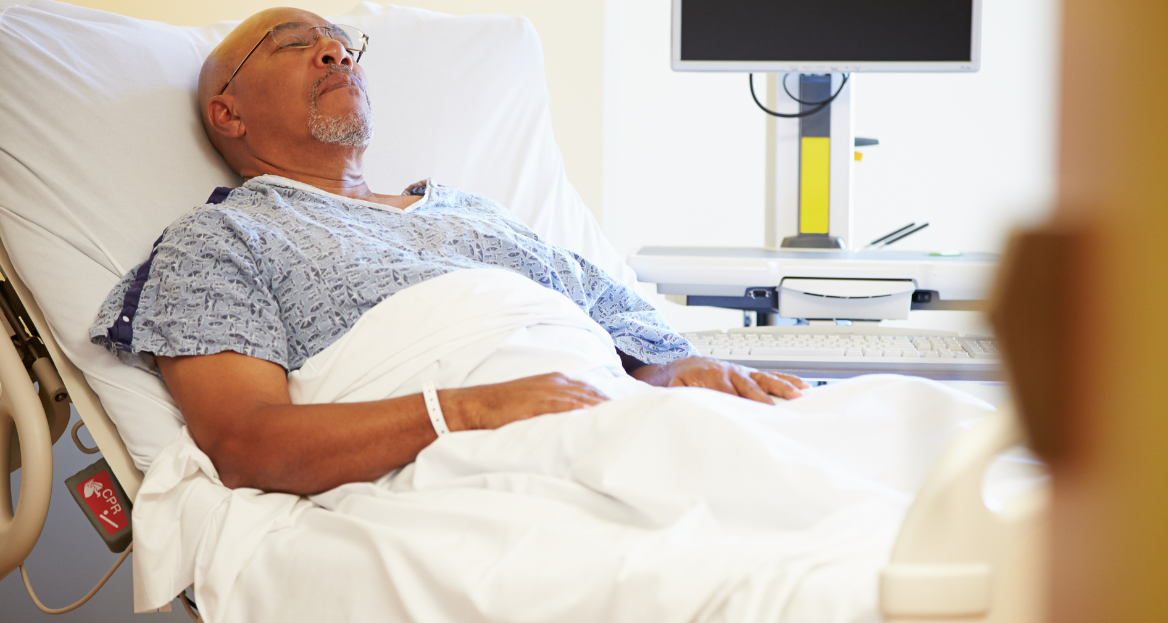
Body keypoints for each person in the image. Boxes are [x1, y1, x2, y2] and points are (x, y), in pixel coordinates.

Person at [91, 7, 806, 497]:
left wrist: (681, 373)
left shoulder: (476, 213)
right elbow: (246, 443)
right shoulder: (219, 242)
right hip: (486, 465)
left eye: (342, 43)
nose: (336, 51)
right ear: (229, 112)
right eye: (292, 44)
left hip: (613, 418)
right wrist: (474, 409)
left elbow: (640, 348)